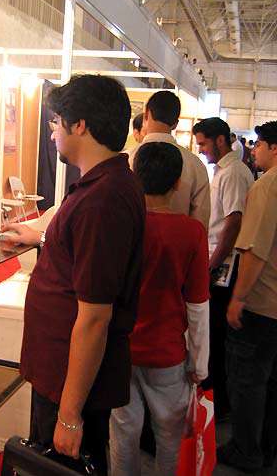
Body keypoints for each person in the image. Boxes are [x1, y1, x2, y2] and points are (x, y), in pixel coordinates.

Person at [1, 75, 144, 476]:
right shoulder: (105, 186)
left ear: (79, 125)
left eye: (56, 123)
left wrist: (68, 415)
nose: (53, 135)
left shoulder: (102, 201)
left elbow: (95, 318)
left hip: (70, 381)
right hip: (63, 373)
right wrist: (43, 237)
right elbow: (84, 253)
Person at [109, 142, 210, 476]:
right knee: (170, 437)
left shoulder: (122, 225)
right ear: (178, 183)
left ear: (135, 177)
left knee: (123, 432)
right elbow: (197, 305)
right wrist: (200, 363)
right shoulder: (192, 232)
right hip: (168, 353)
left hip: (122, 348)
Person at [218, 121, 277, 473]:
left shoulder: (268, 186)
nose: (254, 150)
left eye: (259, 144)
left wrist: (238, 298)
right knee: (270, 382)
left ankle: (245, 449)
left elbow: (255, 249)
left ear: (274, 148)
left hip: (262, 301)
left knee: (248, 380)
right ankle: (266, 447)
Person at [193, 117, 253, 418]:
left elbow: (233, 222)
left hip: (224, 267)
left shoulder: (233, 173)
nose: (201, 149)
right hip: (218, 263)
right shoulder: (224, 171)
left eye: (203, 143)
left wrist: (211, 266)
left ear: (220, 140)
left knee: (216, 337)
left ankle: (218, 404)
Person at [139, 90, 210, 229]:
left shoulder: (127, 159)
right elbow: (201, 221)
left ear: (146, 114)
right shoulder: (195, 165)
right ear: (175, 124)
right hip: (181, 241)